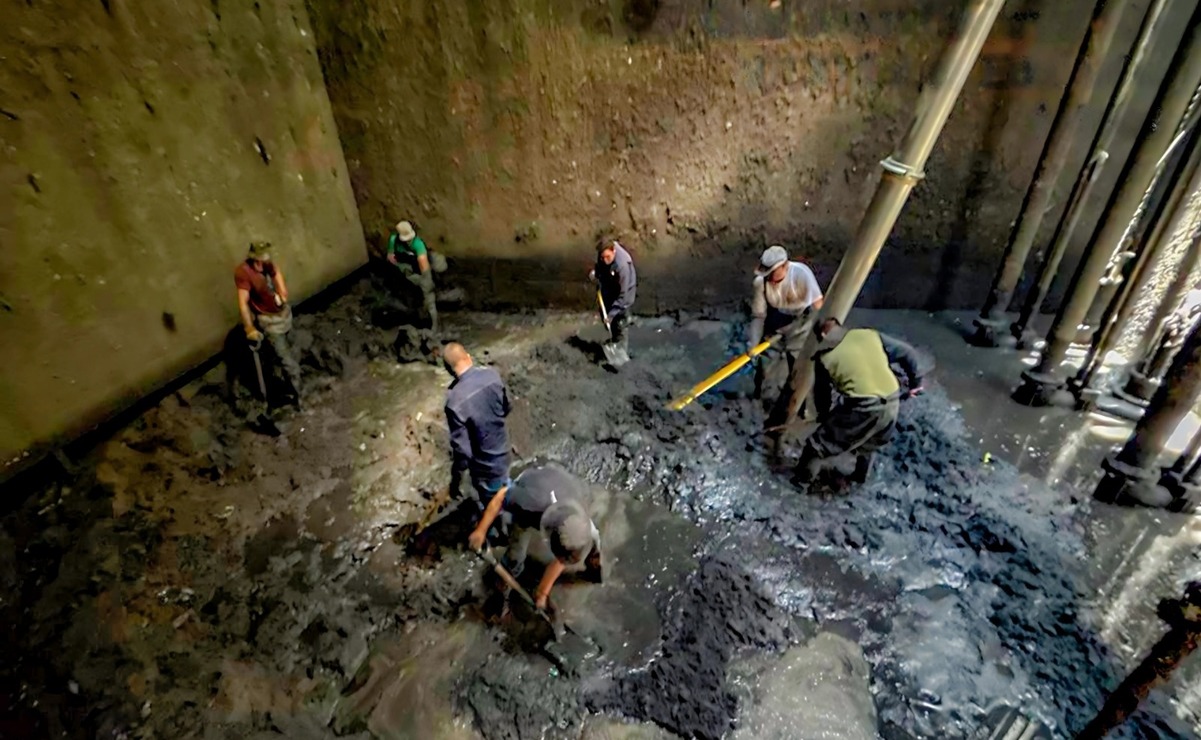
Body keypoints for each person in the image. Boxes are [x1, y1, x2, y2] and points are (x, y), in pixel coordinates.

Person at [793, 318, 926, 488]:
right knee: (869, 442)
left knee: (817, 446)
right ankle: (859, 480)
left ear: (823, 336)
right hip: (893, 399)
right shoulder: (869, 335)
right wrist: (916, 383)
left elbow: (822, 398)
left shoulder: (824, 358)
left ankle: (800, 484)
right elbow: (907, 352)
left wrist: (825, 419)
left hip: (865, 404)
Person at [468, 463, 602, 610]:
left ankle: (593, 565)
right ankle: (506, 580)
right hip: (532, 482)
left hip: (560, 483)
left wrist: (542, 592)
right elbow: (501, 496)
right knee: (515, 554)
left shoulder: (579, 513)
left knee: (594, 537)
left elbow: (565, 554)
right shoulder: (528, 505)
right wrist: (481, 530)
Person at [749, 246, 824, 425]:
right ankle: (763, 405)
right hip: (775, 322)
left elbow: (818, 305)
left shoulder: (801, 275)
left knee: (799, 368)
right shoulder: (761, 283)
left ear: (784, 267)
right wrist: (753, 343)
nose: (769, 277)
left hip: (801, 322)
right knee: (766, 365)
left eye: (772, 272)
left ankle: (800, 409)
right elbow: (759, 315)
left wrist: (819, 333)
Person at [443, 342, 512, 506]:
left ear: (448, 369)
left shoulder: (454, 402)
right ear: (468, 357)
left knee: (493, 507)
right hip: (504, 453)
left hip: (485, 467)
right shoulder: (492, 376)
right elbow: (507, 407)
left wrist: (456, 479)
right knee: (506, 494)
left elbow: (463, 451)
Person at [235, 241, 302, 404]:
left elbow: (276, 273)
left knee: (290, 354)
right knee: (287, 362)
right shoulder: (244, 273)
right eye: (258, 260)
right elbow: (243, 302)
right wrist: (249, 327)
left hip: (283, 316)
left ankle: (291, 384)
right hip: (268, 322)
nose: (262, 264)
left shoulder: (267, 264)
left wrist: (282, 293)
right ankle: (299, 398)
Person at [591, 238, 637, 367]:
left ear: (614, 251)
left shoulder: (623, 266)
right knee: (608, 318)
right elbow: (600, 266)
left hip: (624, 294)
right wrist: (597, 274)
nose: (605, 260)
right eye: (603, 257)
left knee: (620, 322)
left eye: (608, 257)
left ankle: (621, 355)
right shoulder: (604, 254)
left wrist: (611, 316)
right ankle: (613, 339)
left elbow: (622, 296)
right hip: (610, 286)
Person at [388, 220, 439, 334]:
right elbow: (423, 263)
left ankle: (427, 322)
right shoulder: (413, 243)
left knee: (421, 298)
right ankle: (429, 323)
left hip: (411, 273)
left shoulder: (398, 240)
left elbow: (391, 258)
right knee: (426, 297)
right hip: (411, 274)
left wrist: (404, 269)